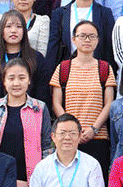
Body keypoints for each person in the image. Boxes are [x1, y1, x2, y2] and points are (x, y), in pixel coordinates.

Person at [0, 59, 53, 187]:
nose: (16, 83)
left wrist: (44, 180)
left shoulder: (40, 108)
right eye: (11, 78)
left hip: (30, 177)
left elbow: (46, 146)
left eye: (22, 78)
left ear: (29, 80)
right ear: (4, 81)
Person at [49, 20, 117, 176]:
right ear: (73, 39)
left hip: (98, 137)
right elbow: (56, 103)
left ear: (98, 40)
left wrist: (94, 129)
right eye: (82, 36)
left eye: (92, 36)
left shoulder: (105, 68)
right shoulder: (63, 68)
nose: (87, 40)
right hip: (69, 138)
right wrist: (73, 130)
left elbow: (109, 104)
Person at [0, 10, 46, 110]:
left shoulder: (36, 58)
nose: (13, 30)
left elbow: (42, 95)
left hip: (28, 113)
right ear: (1, 30)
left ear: (24, 31)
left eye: (19, 26)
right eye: (8, 26)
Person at [45, 0, 116, 71]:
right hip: (68, 72)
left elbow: (109, 49)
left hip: (97, 72)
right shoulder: (59, 14)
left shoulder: (105, 13)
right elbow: (53, 50)